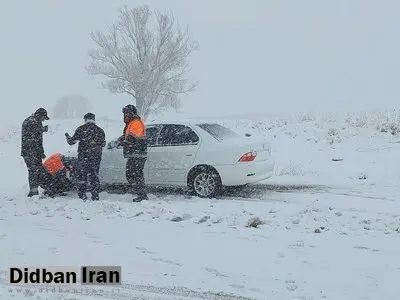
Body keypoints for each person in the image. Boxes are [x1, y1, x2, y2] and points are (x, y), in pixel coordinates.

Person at [65, 113, 106, 201]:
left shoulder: (81, 129)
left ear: (85, 119)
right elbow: (103, 144)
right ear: (94, 119)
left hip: (84, 156)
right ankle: (95, 195)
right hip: (96, 157)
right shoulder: (100, 130)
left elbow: (72, 142)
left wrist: (68, 137)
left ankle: (82, 194)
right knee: (94, 175)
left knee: (82, 175)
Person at [119, 104, 148, 202]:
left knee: (134, 174)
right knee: (133, 174)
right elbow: (129, 136)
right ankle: (140, 192)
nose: (125, 116)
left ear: (132, 114)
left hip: (137, 154)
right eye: (124, 113)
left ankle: (141, 194)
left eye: (127, 113)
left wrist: (123, 142)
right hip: (135, 154)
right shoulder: (131, 123)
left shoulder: (136, 123)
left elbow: (133, 139)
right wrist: (122, 138)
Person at [21, 108, 50, 197]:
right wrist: (41, 129)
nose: (44, 120)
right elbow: (33, 138)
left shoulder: (35, 121)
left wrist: (41, 152)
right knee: (33, 171)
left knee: (38, 170)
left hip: (34, 152)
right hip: (30, 152)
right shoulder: (31, 121)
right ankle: (33, 192)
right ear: (39, 115)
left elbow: (38, 139)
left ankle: (40, 189)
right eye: (44, 118)